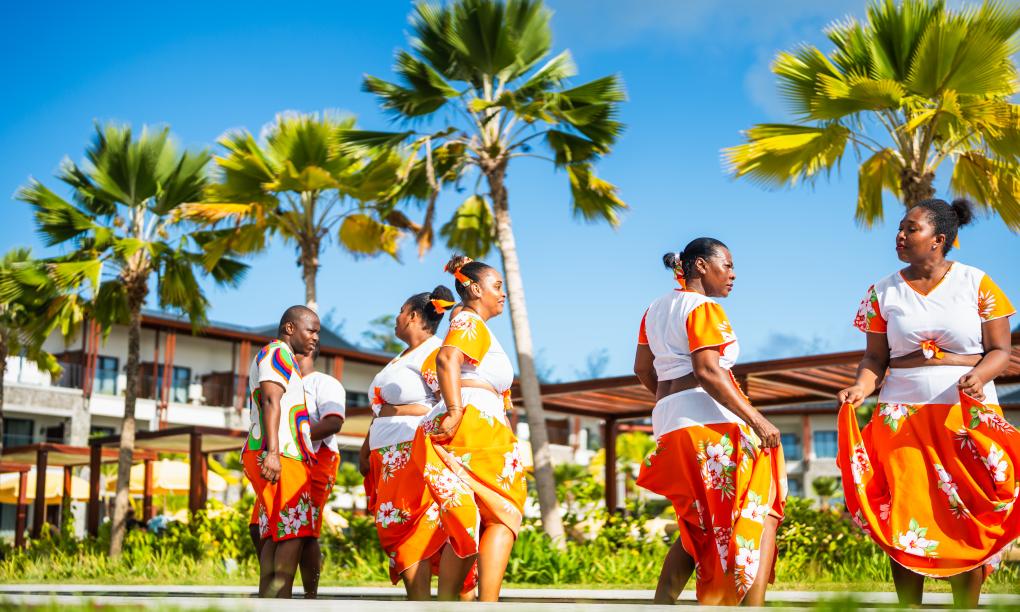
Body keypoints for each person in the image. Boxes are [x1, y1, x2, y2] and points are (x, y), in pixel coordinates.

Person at [837, 198, 1019, 608]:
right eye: (899, 229)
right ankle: (908, 607)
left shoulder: (978, 282)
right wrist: (861, 388)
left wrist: (979, 376)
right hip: (901, 415)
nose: (900, 236)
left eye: (910, 229)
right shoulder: (882, 291)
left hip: (967, 413)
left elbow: (1000, 350)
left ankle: (965, 607)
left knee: (968, 507)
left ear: (939, 239)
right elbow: (874, 358)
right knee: (905, 508)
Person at [634, 238, 785, 606]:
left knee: (696, 524)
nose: (733, 275)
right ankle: (753, 607)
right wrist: (758, 420)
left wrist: (673, 403)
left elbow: (642, 369)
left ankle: (662, 605)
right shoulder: (703, 308)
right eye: (728, 265)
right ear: (700, 266)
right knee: (760, 511)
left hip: (670, 423)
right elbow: (708, 372)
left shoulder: (654, 309)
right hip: (711, 424)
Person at [415, 256, 526, 602]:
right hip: (476, 424)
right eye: (497, 286)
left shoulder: (470, 321)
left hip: (482, 424)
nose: (503, 294)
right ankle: (486, 604)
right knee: (503, 516)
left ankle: (453, 602)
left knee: (470, 522)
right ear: (476, 290)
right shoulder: (470, 321)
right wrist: (454, 408)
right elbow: (447, 358)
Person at [358, 286, 469, 600]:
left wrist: (402, 410)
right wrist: (366, 449)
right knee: (396, 526)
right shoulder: (400, 358)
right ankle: (418, 601)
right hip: (387, 455)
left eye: (400, 312)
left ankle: (422, 602)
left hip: (411, 452)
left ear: (413, 315)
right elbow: (380, 409)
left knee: (411, 525)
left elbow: (447, 403)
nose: (396, 318)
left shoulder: (434, 352)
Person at [241, 305, 320, 598]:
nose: (315, 338)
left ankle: (269, 600)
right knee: (292, 531)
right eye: (310, 330)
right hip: (280, 454)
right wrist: (273, 453)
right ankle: (282, 601)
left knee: (275, 532)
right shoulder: (277, 354)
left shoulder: (285, 358)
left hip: (281, 452)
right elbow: (271, 401)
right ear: (289, 328)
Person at [296, 346, 345, 599]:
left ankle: (310, 596)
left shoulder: (323, 382)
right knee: (258, 527)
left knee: (306, 530)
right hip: (287, 458)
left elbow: (333, 422)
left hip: (319, 457)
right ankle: (272, 586)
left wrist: (292, 439)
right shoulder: (281, 385)